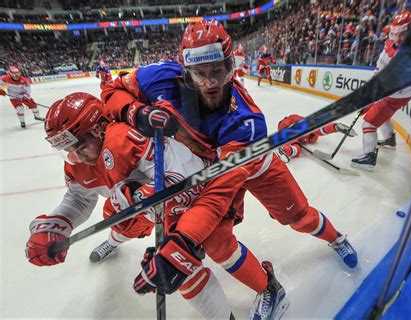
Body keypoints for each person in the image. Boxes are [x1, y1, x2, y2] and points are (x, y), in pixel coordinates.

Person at [102, 20, 358, 318]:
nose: (210, 83)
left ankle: (336, 237)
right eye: (200, 73)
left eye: (218, 72)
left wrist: (183, 240)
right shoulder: (158, 77)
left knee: (297, 216)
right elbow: (112, 89)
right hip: (206, 168)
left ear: (231, 67)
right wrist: (136, 111)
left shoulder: (246, 121)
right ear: (185, 71)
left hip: (250, 167)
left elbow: (218, 192)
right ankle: (270, 288)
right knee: (216, 242)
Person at [28, 92, 288, 319]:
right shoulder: (78, 161)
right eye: (69, 150)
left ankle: (265, 288)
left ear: (98, 130)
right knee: (124, 224)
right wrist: (60, 222)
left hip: (194, 196)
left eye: (80, 147)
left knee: (196, 256)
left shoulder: (125, 139)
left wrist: (143, 196)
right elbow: (79, 197)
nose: (75, 157)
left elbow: (185, 179)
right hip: (146, 206)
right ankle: (115, 241)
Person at [351, 11, 411, 171]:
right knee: (380, 114)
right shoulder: (393, 43)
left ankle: (369, 157)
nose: (396, 37)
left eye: (400, 34)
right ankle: (389, 139)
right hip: (394, 92)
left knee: (369, 122)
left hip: (397, 93)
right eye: (394, 33)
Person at [276, 114, 356, 162]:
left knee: (297, 146)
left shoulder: (283, 125)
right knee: (317, 129)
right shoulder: (292, 117)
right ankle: (335, 126)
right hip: (296, 125)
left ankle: (284, 150)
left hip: (288, 128)